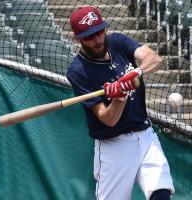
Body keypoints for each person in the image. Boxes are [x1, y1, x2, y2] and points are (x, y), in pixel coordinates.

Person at [67, 6, 175, 200]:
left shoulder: (117, 42)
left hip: (145, 135)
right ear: (78, 39)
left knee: (161, 193)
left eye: (99, 32)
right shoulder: (78, 71)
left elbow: (154, 59)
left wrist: (134, 73)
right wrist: (119, 96)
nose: (98, 40)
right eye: (90, 36)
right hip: (113, 146)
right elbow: (108, 119)